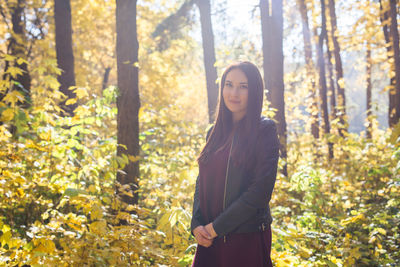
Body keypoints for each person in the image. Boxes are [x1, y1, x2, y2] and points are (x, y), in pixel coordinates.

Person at [190, 61, 280, 267]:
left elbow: (260, 192)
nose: (234, 93)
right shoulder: (213, 133)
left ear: (254, 90)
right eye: (229, 84)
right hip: (209, 240)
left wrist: (216, 228)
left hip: (244, 237)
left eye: (243, 86)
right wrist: (197, 225)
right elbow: (201, 181)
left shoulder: (264, 130)